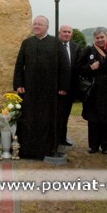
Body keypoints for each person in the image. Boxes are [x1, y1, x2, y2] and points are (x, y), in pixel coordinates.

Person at [13, 15, 69, 160]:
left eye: (40, 24)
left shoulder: (55, 43)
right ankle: (26, 150)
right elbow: (19, 65)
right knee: (28, 119)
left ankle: (45, 150)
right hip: (29, 89)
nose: (36, 26)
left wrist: (63, 86)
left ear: (47, 27)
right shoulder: (27, 43)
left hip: (49, 91)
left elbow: (64, 66)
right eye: (35, 24)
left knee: (46, 120)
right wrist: (18, 84)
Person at [79, 27, 107, 155]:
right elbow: (79, 68)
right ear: (94, 39)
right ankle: (93, 145)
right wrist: (90, 67)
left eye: (102, 37)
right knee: (93, 119)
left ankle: (106, 146)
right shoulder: (89, 50)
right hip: (94, 90)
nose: (100, 40)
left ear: (106, 37)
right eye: (97, 38)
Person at [57, 25, 82, 148]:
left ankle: (62, 138)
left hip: (70, 89)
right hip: (55, 90)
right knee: (56, 115)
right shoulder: (54, 46)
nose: (66, 34)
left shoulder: (76, 48)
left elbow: (78, 67)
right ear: (59, 33)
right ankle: (53, 139)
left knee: (65, 115)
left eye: (69, 32)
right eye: (64, 31)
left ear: (71, 34)